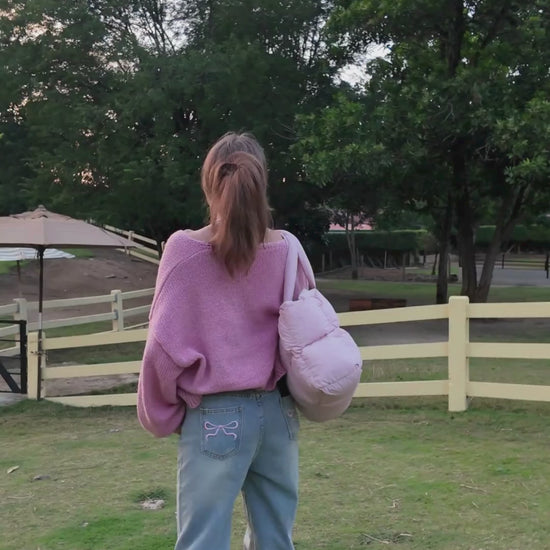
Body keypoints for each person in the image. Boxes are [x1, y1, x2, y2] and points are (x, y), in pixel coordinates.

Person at [137, 132, 308, 550]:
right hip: (279, 412)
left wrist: (161, 414)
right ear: (262, 181)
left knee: (203, 541)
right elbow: (304, 332)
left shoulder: (184, 250)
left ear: (210, 183)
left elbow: (161, 348)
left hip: (216, 416)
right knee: (275, 540)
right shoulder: (288, 249)